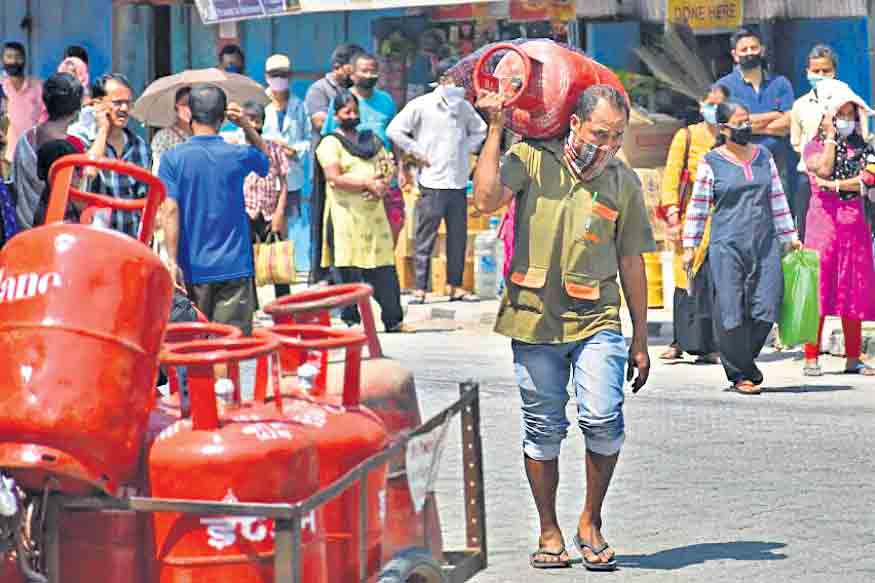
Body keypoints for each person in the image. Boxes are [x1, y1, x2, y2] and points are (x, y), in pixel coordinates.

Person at [473, 84, 654, 571]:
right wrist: (496, 129)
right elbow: (485, 199)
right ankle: (549, 529)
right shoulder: (530, 159)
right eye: (600, 133)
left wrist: (640, 337)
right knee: (542, 428)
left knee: (604, 418)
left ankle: (590, 521)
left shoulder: (622, 181)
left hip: (597, 318)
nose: (608, 144)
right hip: (533, 318)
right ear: (574, 124)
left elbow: (631, 260)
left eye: (617, 136)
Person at [682, 101, 802, 394]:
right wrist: (690, 246)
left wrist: (789, 236)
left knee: (768, 306)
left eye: (747, 120)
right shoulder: (711, 162)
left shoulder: (764, 157)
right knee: (730, 311)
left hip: (765, 244)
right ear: (724, 129)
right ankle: (741, 374)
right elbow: (699, 207)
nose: (746, 126)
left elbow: (777, 198)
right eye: (739, 122)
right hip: (727, 246)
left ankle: (744, 362)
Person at [159, 84, 270, 336]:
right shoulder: (238, 154)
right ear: (222, 118)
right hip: (235, 265)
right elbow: (265, 160)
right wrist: (246, 125)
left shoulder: (172, 158)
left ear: (190, 114)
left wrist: (172, 261)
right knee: (230, 345)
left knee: (194, 344)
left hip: (192, 267)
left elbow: (170, 210)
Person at [387, 58, 486, 304]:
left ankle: (455, 286)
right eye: (455, 80)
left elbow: (480, 130)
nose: (459, 86)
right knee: (425, 237)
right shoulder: (422, 105)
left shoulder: (464, 107)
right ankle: (420, 288)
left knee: (457, 237)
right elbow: (395, 130)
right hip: (432, 182)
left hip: (458, 181)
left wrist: (466, 149)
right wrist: (417, 151)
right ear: (442, 80)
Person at [314, 91, 410, 333]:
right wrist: (367, 183)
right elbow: (334, 178)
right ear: (336, 115)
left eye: (355, 111)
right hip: (345, 218)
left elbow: (387, 165)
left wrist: (382, 186)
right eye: (346, 111)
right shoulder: (330, 143)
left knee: (384, 269)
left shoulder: (372, 140)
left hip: (374, 217)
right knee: (346, 270)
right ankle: (352, 322)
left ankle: (393, 320)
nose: (352, 115)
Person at [800, 83, 875, 376]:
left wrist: (835, 186)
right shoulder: (813, 146)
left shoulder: (864, 147)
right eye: (839, 115)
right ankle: (810, 356)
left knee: (854, 287)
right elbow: (823, 169)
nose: (846, 120)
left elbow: (868, 179)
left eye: (850, 115)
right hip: (823, 225)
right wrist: (831, 137)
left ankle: (853, 358)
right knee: (819, 288)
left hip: (854, 224)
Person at [659, 84, 728, 364]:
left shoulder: (729, 138)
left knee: (714, 283)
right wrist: (673, 215)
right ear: (701, 105)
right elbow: (671, 177)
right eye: (709, 103)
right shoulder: (686, 136)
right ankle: (679, 340)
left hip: (722, 221)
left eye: (719, 105)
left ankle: (711, 345)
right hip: (690, 219)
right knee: (684, 279)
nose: (713, 109)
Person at [305, 43, 364, 283]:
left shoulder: (355, 90)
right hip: (326, 165)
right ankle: (320, 273)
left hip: (352, 164)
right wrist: (341, 112)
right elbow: (320, 122)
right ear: (339, 66)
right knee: (322, 220)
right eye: (353, 65)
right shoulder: (319, 90)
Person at [70, 73, 150, 237]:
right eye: (117, 103)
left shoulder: (139, 146)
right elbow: (89, 173)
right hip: (95, 241)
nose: (124, 109)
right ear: (97, 104)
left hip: (131, 241)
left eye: (128, 103)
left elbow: (146, 200)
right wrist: (103, 130)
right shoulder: (81, 140)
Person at [716, 28, 794, 191]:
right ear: (735, 55)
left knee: (780, 206)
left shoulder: (780, 83)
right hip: (738, 162)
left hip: (776, 162)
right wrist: (775, 115)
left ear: (762, 50)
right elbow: (726, 127)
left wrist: (744, 126)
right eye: (744, 50)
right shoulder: (723, 87)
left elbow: (788, 124)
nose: (749, 53)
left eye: (754, 48)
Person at [11, 72, 85, 230]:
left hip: (23, 227)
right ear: (76, 109)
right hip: (57, 231)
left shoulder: (26, 139)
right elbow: (76, 196)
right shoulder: (72, 146)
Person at [790, 45, 841, 242]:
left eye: (825, 71)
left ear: (834, 72)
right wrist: (814, 161)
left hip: (841, 177)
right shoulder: (800, 105)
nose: (820, 75)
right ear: (807, 72)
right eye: (815, 71)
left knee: (839, 231)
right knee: (807, 233)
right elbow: (796, 141)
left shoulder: (847, 102)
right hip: (809, 178)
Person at [242, 99, 291, 299]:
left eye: (257, 120)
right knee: (246, 267)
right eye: (249, 120)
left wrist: (279, 213)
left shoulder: (274, 149)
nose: (253, 125)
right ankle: (251, 308)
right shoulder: (237, 149)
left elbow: (284, 183)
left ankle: (284, 309)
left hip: (270, 214)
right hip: (245, 213)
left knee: (278, 265)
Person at [262, 54, 310, 229]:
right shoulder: (259, 103)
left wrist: (295, 150)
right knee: (264, 229)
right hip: (265, 177)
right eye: (274, 75)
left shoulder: (300, 106)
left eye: (283, 75)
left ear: (290, 76)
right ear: (266, 77)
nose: (279, 79)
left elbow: (309, 139)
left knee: (290, 228)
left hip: (291, 177)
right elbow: (248, 134)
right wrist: (271, 146)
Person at [323, 53, 396, 151]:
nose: (369, 76)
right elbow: (328, 136)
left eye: (373, 71)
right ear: (352, 74)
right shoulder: (342, 101)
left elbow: (394, 136)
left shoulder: (386, 100)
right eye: (364, 71)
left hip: (383, 159)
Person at [2, 42, 48, 168]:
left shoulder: (38, 86)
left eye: (18, 57)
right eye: (9, 57)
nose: (13, 61)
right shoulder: (2, 86)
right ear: (3, 60)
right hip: (7, 156)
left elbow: (46, 115)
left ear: (24, 60)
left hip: (34, 153)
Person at [304, 43, 363, 138]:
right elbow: (320, 123)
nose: (357, 72)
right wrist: (347, 119)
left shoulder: (359, 88)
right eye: (354, 67)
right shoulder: (319, 89)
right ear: (337, 67)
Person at [150, 86, 192, 174]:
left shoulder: (202, 134)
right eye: (185, 104)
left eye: (194, 104)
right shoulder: (163, 137)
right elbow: (158, 170)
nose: (190, 109)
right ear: (176, 107)